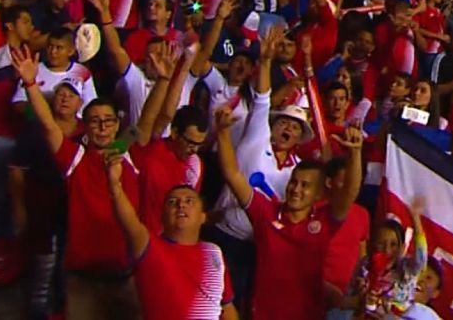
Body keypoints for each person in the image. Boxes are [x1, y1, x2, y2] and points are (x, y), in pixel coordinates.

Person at [12, 44, 142, 319]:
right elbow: (48, 125)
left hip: (125, 272)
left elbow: (151, 120)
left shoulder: (124, 150)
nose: (103, 127)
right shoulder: (75, 157)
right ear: (87, 126)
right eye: (95, 122)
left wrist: (165, 81)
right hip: (82, 275)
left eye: (108, 121)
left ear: (117, 125)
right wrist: (30, 84)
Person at [214, 104, 364, 320]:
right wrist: (222, 133)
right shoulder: (265, 212)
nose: (296, 189)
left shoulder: (324, 222)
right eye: (294, 182)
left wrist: (355, 154)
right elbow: (232, 174)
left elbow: (349, 193)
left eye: (305, 186)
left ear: (318, 193)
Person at [105, 154, 237, 319]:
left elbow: (227, 307)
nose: (181, 204)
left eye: (189, 201)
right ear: (162, 216)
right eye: (172, 202)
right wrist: (115, 186)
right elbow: (128, 221)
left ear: (203, 216)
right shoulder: (149, 246)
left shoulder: (213, 252)